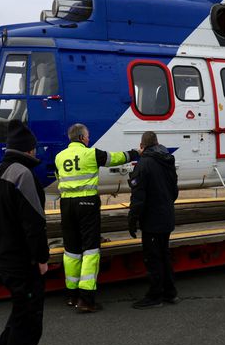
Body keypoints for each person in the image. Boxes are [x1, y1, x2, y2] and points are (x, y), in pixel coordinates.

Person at [0, 120, 49, 345]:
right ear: (30, 150)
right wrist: (42, 259)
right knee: (30, 321)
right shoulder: (24, 175)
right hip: (24, 261)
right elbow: (34, 223)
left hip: (3, 256)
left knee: (20, 311)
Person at [54, 123, 138, 313]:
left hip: (66, 206)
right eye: (88, 136)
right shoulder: (91, 153)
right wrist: (134, 153)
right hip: (87, 204)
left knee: (71, 251)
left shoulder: (59, 157)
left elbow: (60, 178)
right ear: (83, 138)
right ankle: (86, 299)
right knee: (90, 250)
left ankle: (71, 295)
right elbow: (115, 158)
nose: (89, 139)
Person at [127, 131, 180, 309]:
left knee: (153, 258)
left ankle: (155, 296)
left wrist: (132, 219)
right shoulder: (167, 160)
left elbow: (138, 197)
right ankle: (170, 293)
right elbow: (174, 191)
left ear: (142, 146)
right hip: (166, 216)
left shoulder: (144, 164)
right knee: (164, 255)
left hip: (152, 220)